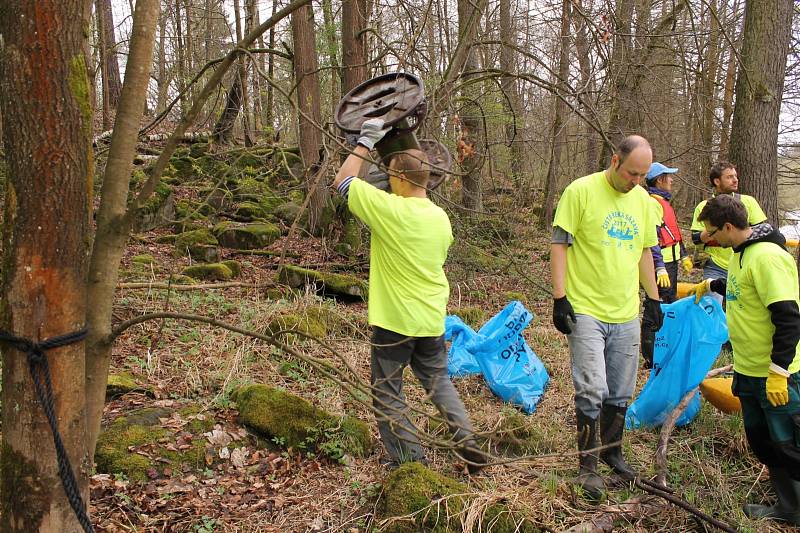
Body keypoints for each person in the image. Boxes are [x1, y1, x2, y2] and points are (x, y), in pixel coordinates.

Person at [332, 118, 485, 472]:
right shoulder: (441, 219)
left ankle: (408, 460)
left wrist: (365, 142)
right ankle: (467, 442)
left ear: (398, 180)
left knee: (387, 391)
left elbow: (343, 181)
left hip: (394, 323)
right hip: (431, 320)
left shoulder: (390, 212)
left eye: (390, 176)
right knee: (438, 383)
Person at [550, 135, 663, 499]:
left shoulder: (644, 201)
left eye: (643, 175)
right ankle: (588, 466)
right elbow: (559, 243)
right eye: (632, 173)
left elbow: (646, 250)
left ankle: (613, 453)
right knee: (591, 388)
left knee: (620, 389)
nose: (636, 181)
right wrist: (560, 297)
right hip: (585, 309)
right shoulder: (580, 191)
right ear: (615, 161)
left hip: (625, 310)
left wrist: (654, 300)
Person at [691, 194, 800, 525]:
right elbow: (746, 289)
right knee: (765, 443)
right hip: (748, 371)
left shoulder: (767, 257)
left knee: (790, 445)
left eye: (711, 233)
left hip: (776, 374)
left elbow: (788, 317)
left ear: (728, 227)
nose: (708, 240)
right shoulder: (740, 254)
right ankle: (790, 507)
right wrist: (713, 283)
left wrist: (779, 371)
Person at [691, 161, 767, 298]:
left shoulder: (748, 201)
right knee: (711, 307)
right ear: (717, 181)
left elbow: (761, 232)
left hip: (744, 264)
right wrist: (715, 230)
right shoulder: (704, 206)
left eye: (735, 176)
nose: (735, 180)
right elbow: (695, 238)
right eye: (729, 177)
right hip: (715, 266)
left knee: (746, 305)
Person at [646, 162, 693, 303]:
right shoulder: (653, 203)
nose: (672, 180)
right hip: (662, 263)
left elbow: (673, 232)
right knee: (661, 302)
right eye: (669, 177)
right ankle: (658, 325)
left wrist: (683, 255)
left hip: (671, 261)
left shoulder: (664, 202)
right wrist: (659, 267)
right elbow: (652, 236)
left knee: (670, 299)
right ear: (660, 180)